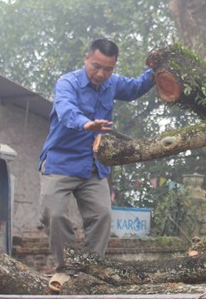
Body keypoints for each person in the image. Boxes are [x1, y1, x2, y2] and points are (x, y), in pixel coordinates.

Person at [38, 38, 154, 275]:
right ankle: (66, 268)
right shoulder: (67, 83)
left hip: (93, 167)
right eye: (96, 66)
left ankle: (88, 269)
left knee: (102, 216)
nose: (101, 74)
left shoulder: (113, 83)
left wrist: (159, 67)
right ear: (87, 58)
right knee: (56, 214)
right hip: (61, 161)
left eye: (108, 69)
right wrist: (86, 124)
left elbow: (135, 88)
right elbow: (66, 109)